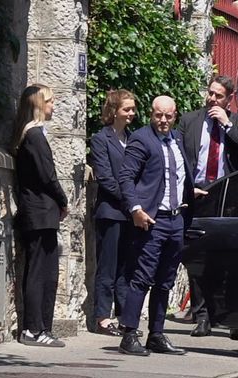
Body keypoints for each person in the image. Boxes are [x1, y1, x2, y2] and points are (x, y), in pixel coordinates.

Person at [177, 75, 238, 337]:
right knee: (199, 261)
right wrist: (188, 189)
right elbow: (178, 157)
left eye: (218, 96)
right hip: (198, 196)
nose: (212, 99)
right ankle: (203, 316)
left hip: (230, 200)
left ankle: (234, 318)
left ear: (229, 99)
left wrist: (227, 126)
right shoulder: (190, 121)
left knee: (233, 262)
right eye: (210, 93)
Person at [117, 96, 195, 356]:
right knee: (143, 277)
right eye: (158, 115)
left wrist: (192, 193)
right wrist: (136, 209)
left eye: (168, 116)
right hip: (153, 219)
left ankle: (157, 334)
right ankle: (129, 334)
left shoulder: (177, 139)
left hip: (176, 218)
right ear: (151, 114)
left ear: (175, 116)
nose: (163, 121)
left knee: (166, 280)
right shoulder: (142, 139)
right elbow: (126, 176)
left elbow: (177, 175)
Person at [11, 84, 68, 347]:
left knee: (46, 272)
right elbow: (47, 175)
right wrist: (63, 200)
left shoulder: (33, 134)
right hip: (40, 211)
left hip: (41, 212)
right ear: (38, 105)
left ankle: (41, 327)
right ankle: (34, 329)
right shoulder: (34, 135)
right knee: (39, 272)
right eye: (50, 101)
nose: (53, 106)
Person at [89, 89, 137, 337]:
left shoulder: (132, 139)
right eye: (126, 109)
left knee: (125, 269)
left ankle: (124, 317)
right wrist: (131, 199)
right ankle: (102, 318)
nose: (130, 114)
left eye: (132, 109)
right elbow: (106, 177)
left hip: (129, 213)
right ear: (114, 110)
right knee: (107, 267)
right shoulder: (101, 139)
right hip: (111, 211)